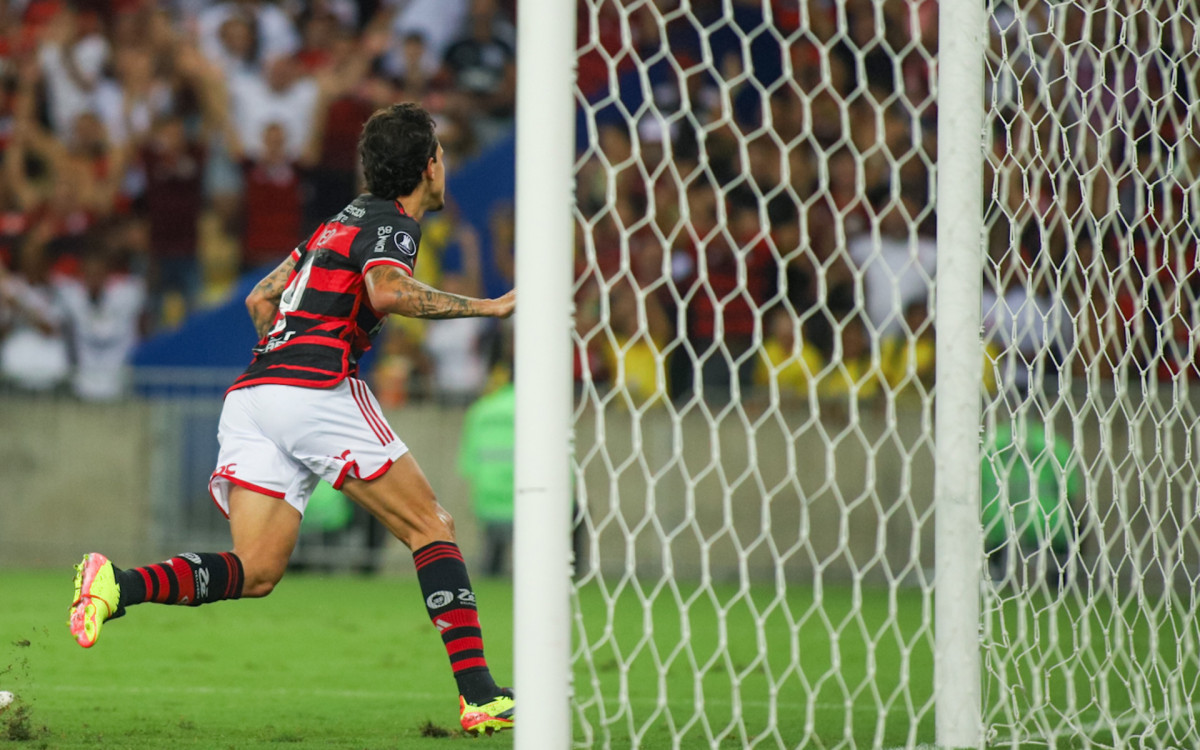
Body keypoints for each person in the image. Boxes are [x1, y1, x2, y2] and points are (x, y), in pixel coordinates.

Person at [67, 103, 517, 736]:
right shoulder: (393, 222)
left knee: (256, 570)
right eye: (440, 155)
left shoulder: (340, 220)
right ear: (427, 167)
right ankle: (480, 695)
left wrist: (282, 354)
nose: (444, 165)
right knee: (431, 526)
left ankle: (116, 583)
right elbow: (388, 291)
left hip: (254, 394)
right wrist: (489, 307)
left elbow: (262, 293)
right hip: (315, 387)